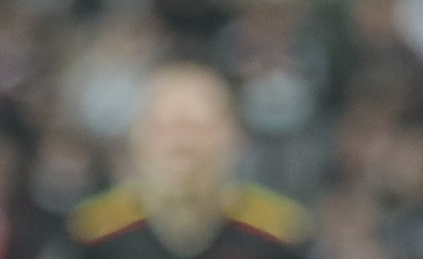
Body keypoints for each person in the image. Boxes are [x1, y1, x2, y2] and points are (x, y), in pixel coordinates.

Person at [67, 63, 310, 259]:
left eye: (198, 127)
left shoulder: (283, 232)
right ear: (134, 141)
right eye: (162, 128)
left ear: (237, 139)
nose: (180, 145)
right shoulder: (91, 233)